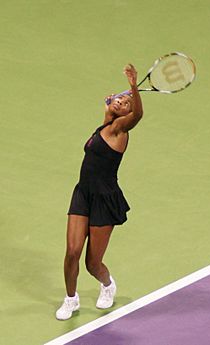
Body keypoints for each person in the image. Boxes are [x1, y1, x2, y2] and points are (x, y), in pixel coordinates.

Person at [56, 64, 143, 320]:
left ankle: (107, 284)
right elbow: (110, 107)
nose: (121, 102)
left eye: (126, 103)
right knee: (72, 251)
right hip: (83, 193)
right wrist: (112, 105)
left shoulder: (120, 131)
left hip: (105, 200)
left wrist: (134, 87)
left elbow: (137, 115)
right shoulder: (104, 125)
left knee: (92, 264)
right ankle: (70, 299)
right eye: (120, 98)